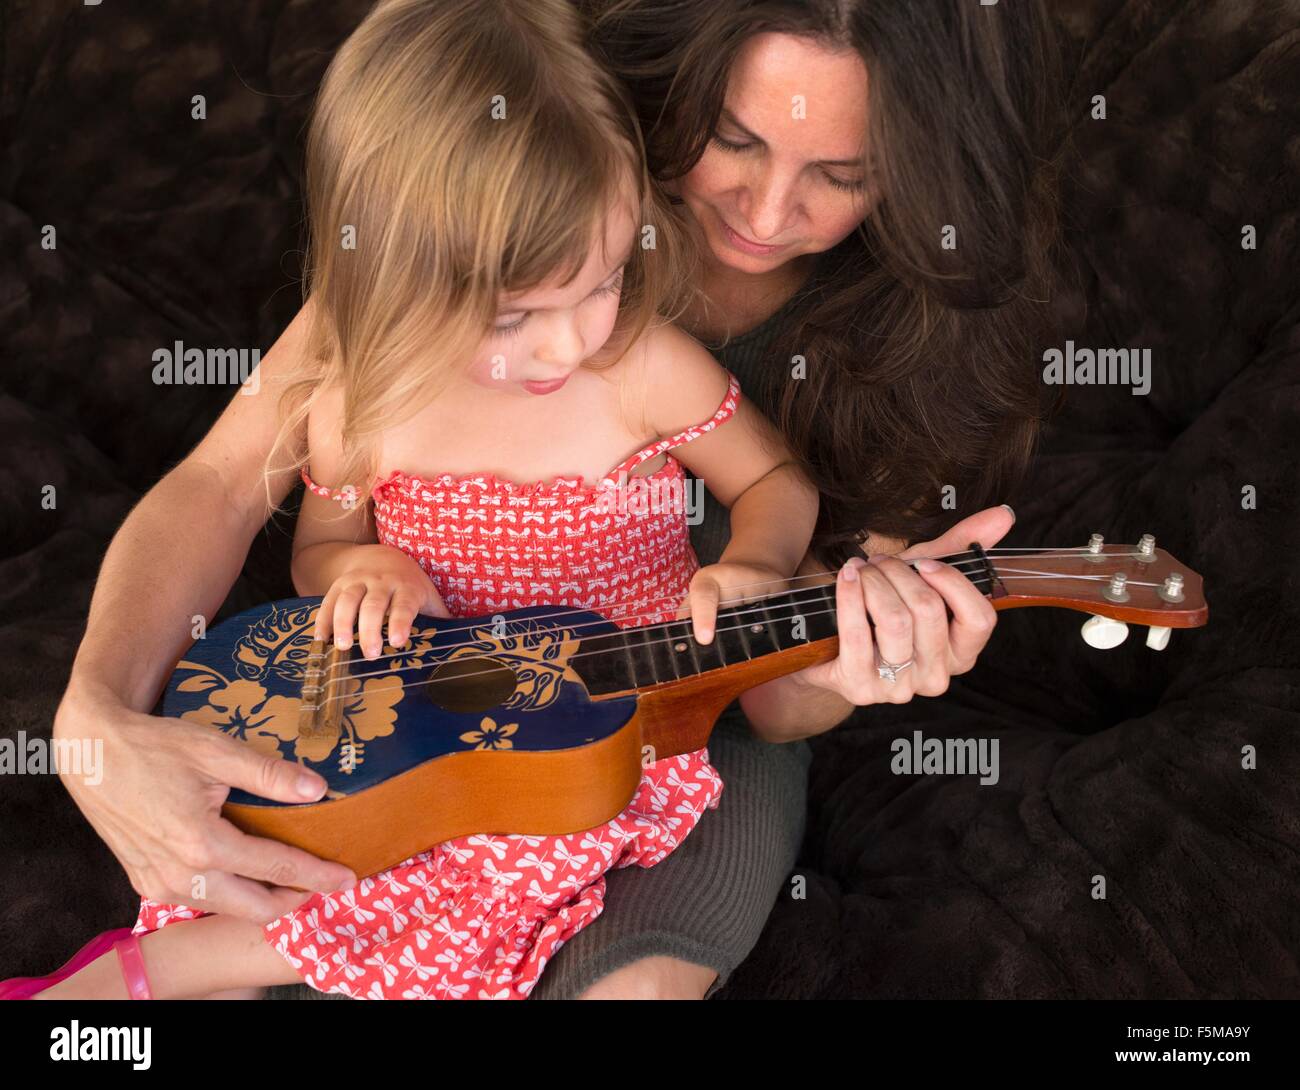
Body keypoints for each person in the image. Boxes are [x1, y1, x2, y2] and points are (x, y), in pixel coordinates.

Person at [48, 0, 1061, 1000]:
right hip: (447, 708)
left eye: (843, 175)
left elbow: (772, 692)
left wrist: (853, 653)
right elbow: (227, 481)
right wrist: (93, 714)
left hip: (675, 720)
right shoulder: (509, 185)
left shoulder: (887, 351)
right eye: (731, 139)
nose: (762, 215)